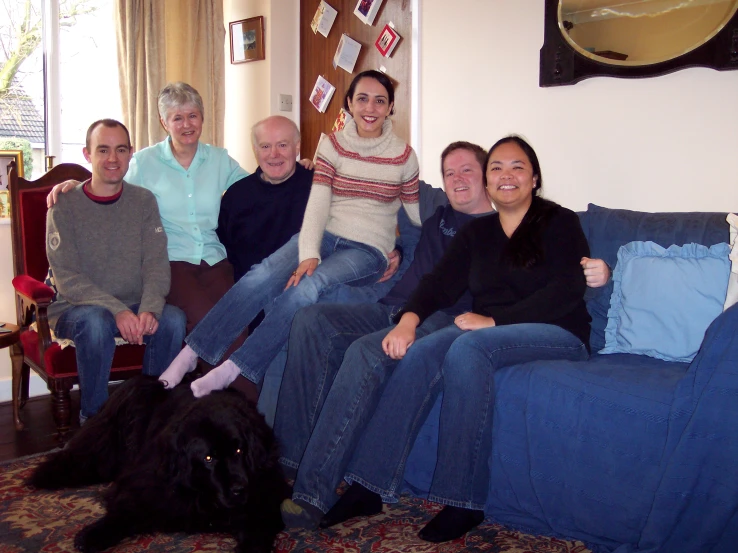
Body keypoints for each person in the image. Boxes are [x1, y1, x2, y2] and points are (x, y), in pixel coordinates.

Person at [274, 139, 608, 529]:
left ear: (534, 178)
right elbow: (439, 283)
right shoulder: (478, 232)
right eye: (497, 167)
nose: (506, 175)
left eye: (517, 167)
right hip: (489, 329)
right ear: (489, 179)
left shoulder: (559, 221)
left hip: (558, 331)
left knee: (468, 349)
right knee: (421, 352)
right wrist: (410, 318)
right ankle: (368, 487)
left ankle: (463, 499)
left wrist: (496, 322)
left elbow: (567, 289)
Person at [159, 70, 422, 400]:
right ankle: (191, 354)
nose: (370, 107)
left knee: (307, 285)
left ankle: (233, 368)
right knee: (263, 273)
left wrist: (399, 250)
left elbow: (413, 215)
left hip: (368, 249)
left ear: (391, 107)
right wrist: (309, 250)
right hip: (327, 234)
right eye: (362, 99)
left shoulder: (403, 156)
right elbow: (318, 204)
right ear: (349, 105)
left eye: (380, 100)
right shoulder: (332, 145)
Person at [45, 119, 186, 421]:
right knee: (96, 322)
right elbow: (67, 279)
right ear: (87, 154)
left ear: (130, 153)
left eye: (120, 150)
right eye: (103, 150)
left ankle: (150, 417)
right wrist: (118, 311)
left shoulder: (143, 201)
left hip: (133, 302)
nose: (112, 159)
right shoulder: (64, 205)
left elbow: (156, 264)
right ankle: (94, 420)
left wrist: (149, 308)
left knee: (172, 320)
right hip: (77, 308)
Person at [217, 115, 313, 283]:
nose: (273, 154)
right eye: (265, 146)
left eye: (282, 145)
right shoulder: (236, 197)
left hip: (303, 289)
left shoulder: (318, 187)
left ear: (297, 147)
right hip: (250, 296)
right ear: (255, 150)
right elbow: (224, 255)